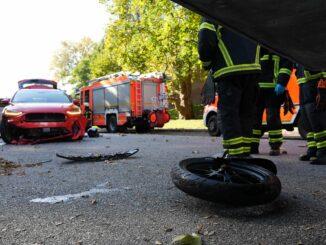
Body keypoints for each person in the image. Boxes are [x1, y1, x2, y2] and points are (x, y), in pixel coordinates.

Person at [198, 18, 261, 158]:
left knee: (229, 113)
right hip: (253, 70)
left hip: (229, 71)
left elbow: (205, 40)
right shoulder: (247, 11)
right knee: (246, 113)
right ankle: (244, 153)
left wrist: (207, 64)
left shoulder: (213, 10)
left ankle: (235, 154)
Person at [251, 51, 293, 155]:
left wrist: (282, 82)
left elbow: (286, 65)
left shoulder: (278, 46)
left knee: (272, 118)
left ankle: (275, 146)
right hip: (256, 89)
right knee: (254, 119)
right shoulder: (256, 46)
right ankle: (253, 146)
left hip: (273, 90)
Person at [296, 67, 326, 164]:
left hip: (315, 83)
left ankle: (323, 153)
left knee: (317, 119)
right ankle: (312, 150)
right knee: (307, 120)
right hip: (303, 84)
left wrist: (324, 82)